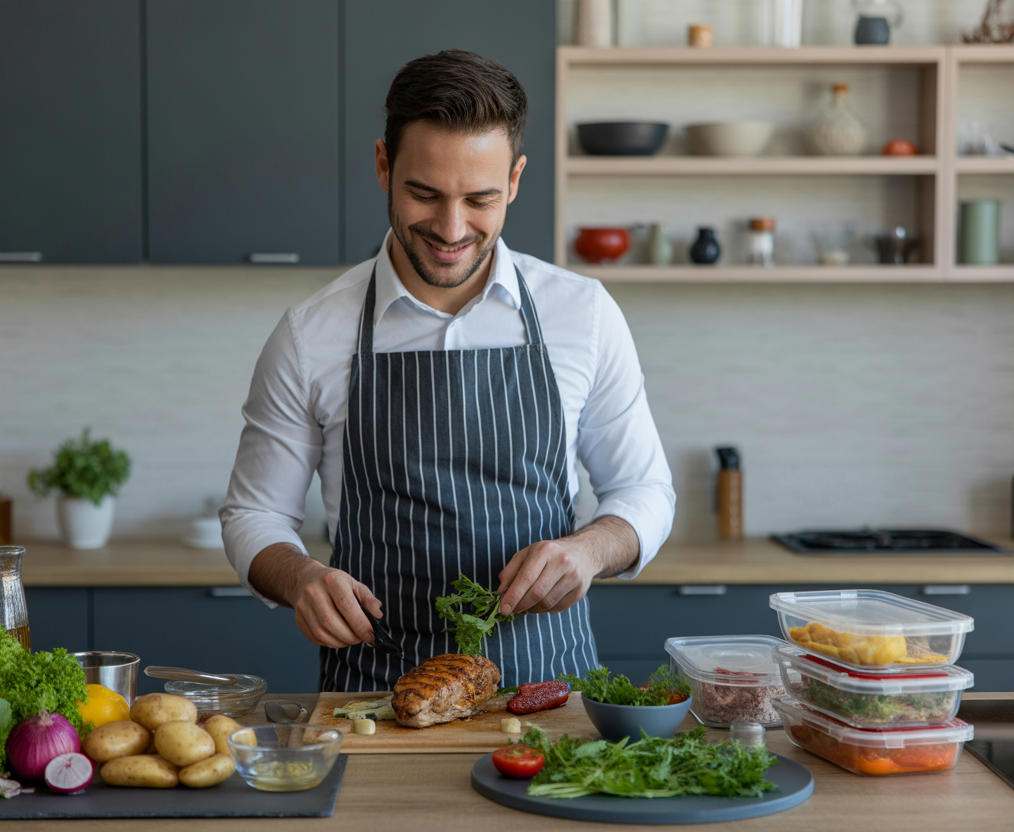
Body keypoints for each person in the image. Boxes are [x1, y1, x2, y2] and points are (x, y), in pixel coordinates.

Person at [221, 49, 674, 692]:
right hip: (374, 697)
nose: (451, 228)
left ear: (515, 180)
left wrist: (589, 550)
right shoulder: (310, 334)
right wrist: (301, 579)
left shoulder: (583, 314)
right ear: (383, 165)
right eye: (424, 194)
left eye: (480, 199)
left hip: (549, 696)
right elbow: (253, 515)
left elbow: (646, 492)